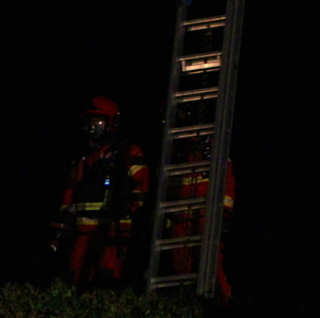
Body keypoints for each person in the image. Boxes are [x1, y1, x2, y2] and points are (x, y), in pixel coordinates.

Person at [51, 96, 150, 289]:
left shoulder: (127, 151)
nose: (92, 127)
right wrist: (61, 225)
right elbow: (70, 193)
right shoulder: (83, 158)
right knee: (74, 279)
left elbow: (143, 183)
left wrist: (129, 207)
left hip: (113, 228)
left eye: (97, 122)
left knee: (108, 279)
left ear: (112, 123)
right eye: (89, 122)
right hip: (83, 231)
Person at [168, 142, 235, 300]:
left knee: (211, 259)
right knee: (180, 260)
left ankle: (223, 298)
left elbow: (227, 183)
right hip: (181, 213)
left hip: (207, 211)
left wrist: (223, 214)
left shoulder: (215, 151)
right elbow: (168, 183)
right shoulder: (177, 152)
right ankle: (185, 301)